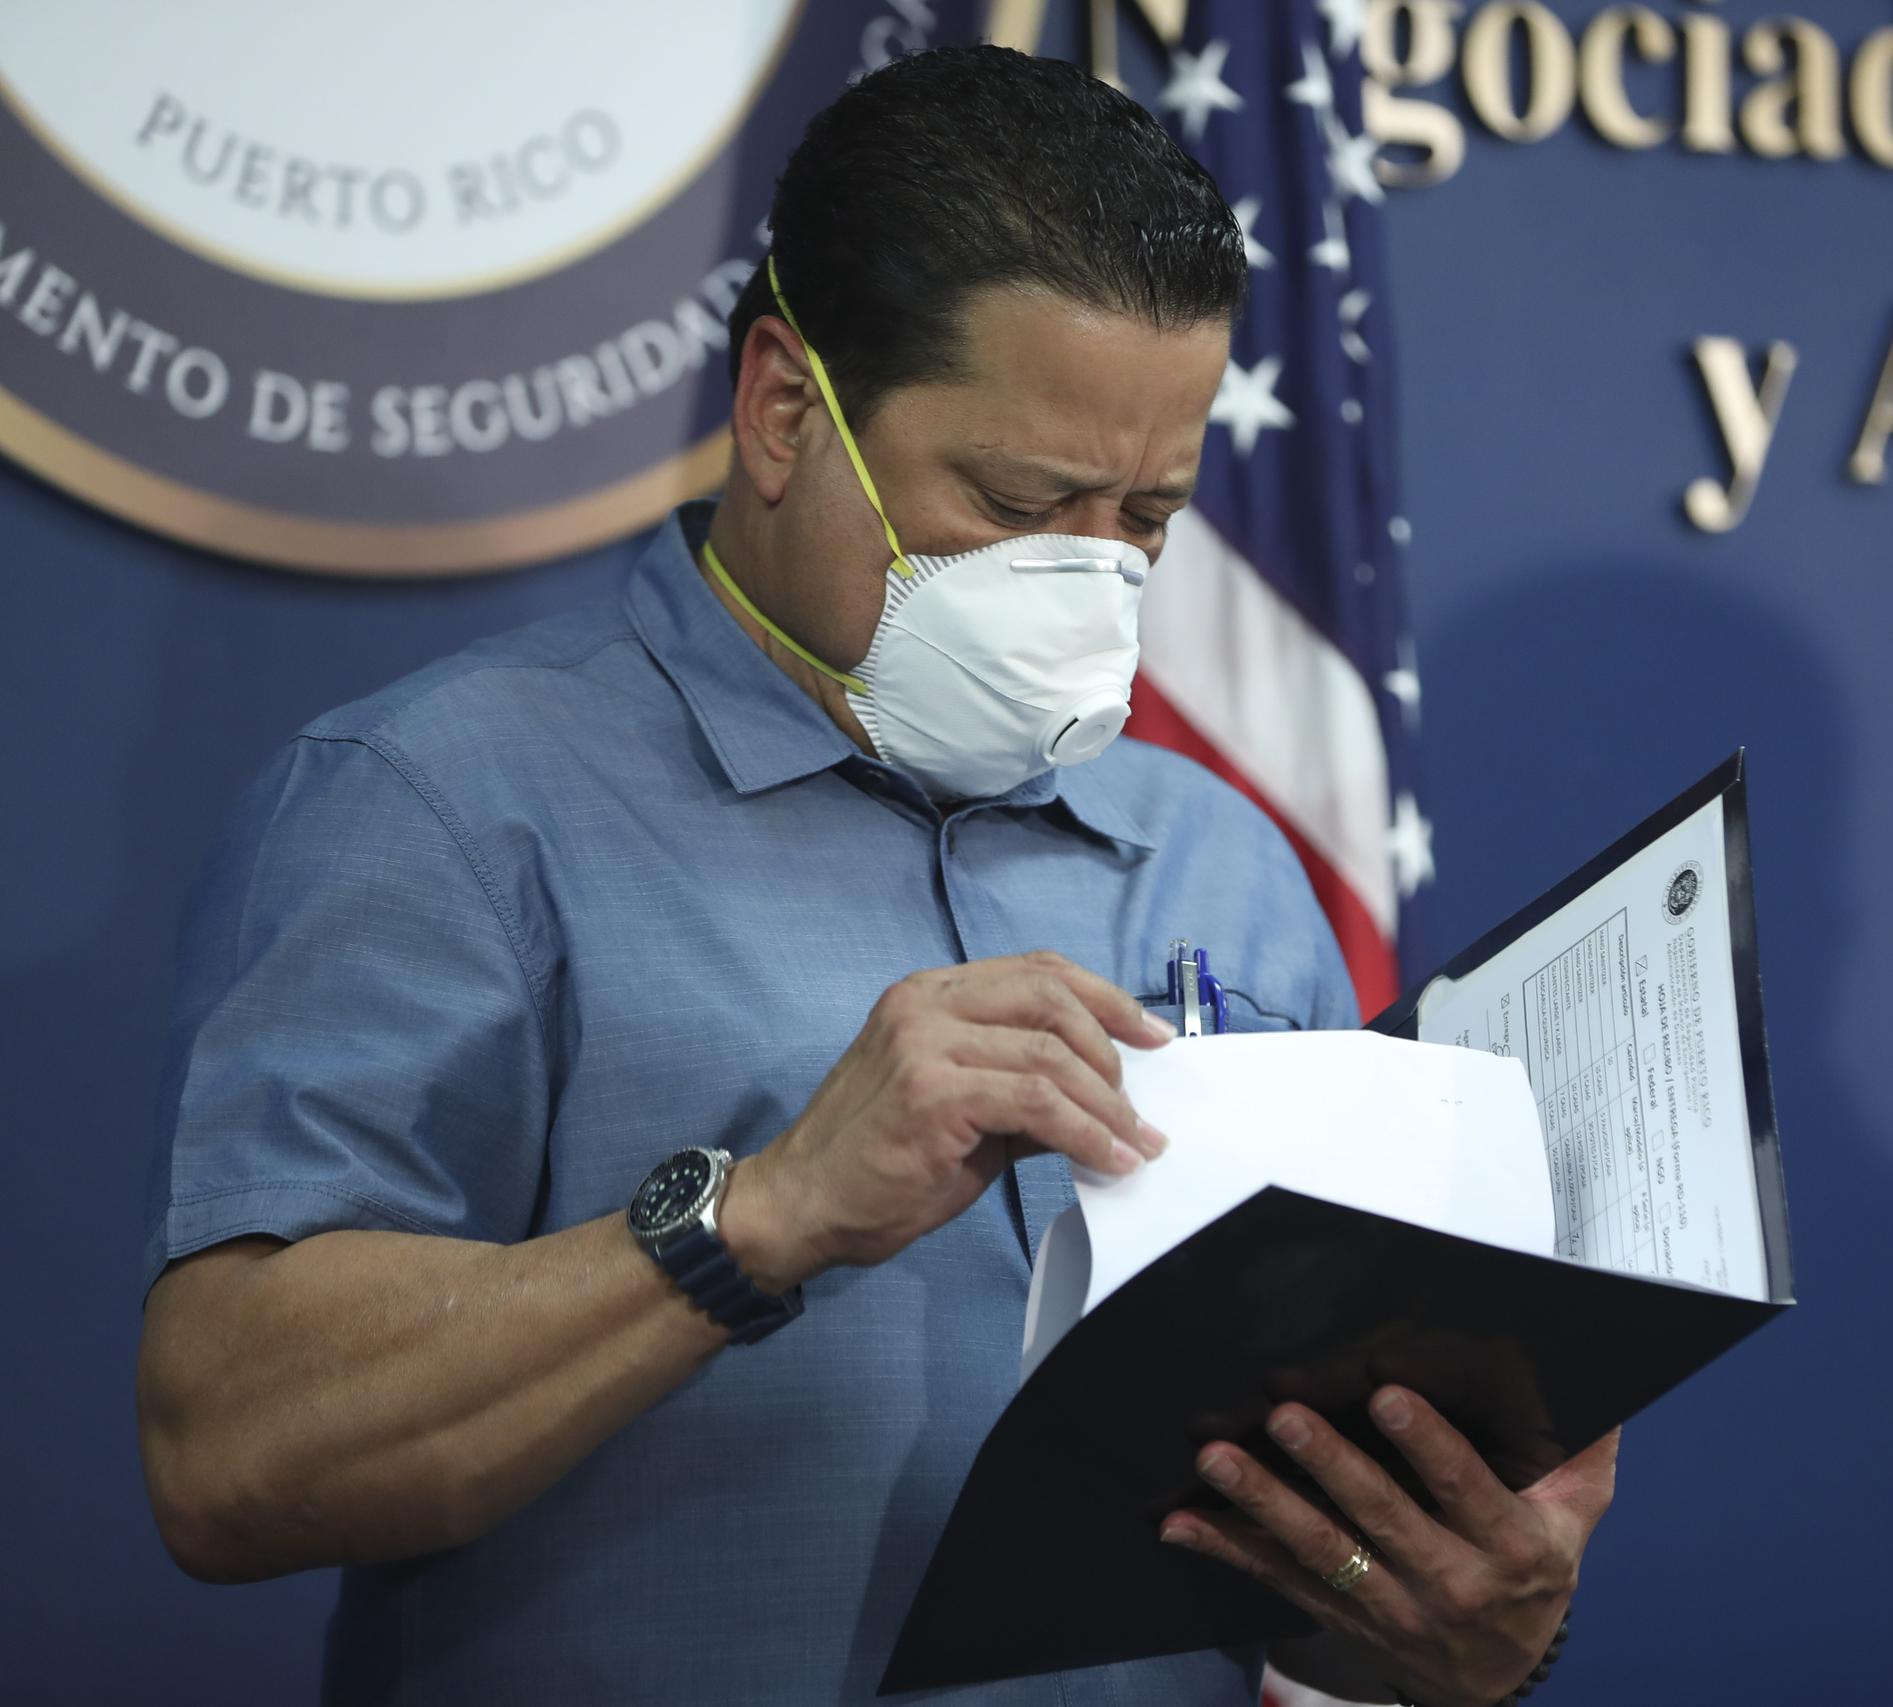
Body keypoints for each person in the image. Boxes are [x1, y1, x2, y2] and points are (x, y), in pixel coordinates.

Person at [137, 46, 1612, 1706]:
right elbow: (226, 1454)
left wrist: (1463, 1621)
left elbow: (1291, 1561)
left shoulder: (1228, 860)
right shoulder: (444, 803)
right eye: (1020, 501)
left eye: (1148, 516)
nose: (1092, 578)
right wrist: (760, 1215)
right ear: (783, 409)